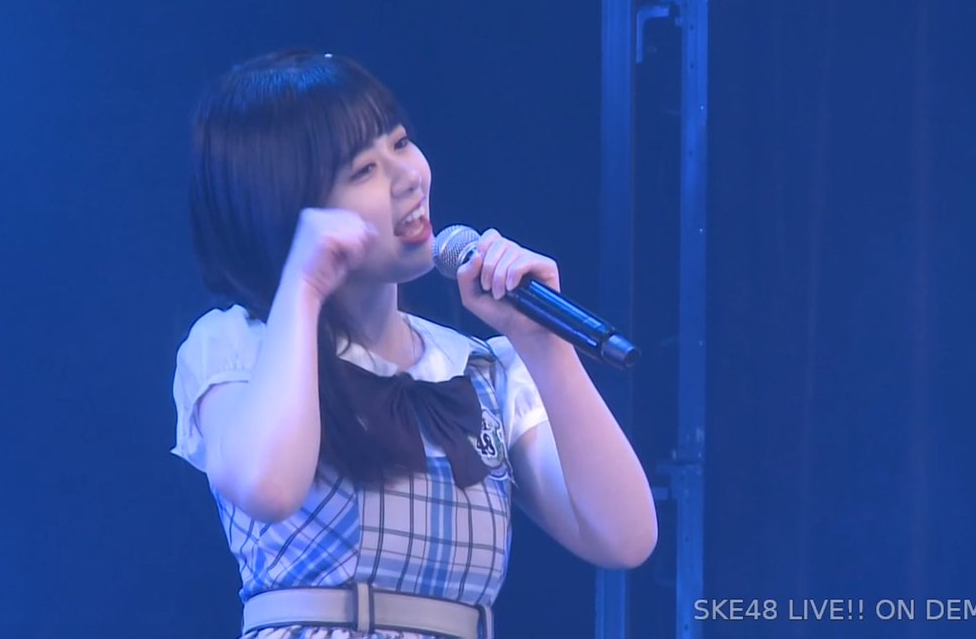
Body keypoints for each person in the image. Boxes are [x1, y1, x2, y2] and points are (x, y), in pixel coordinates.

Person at [171, 49, 657, 639]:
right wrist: (303, 285)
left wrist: (543, 345)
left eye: (400, 143)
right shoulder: (239, 346)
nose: (409, 177)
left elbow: (625, 537)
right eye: (363, 170)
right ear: (292, 211)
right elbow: (268, 488)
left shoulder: (480, 369)